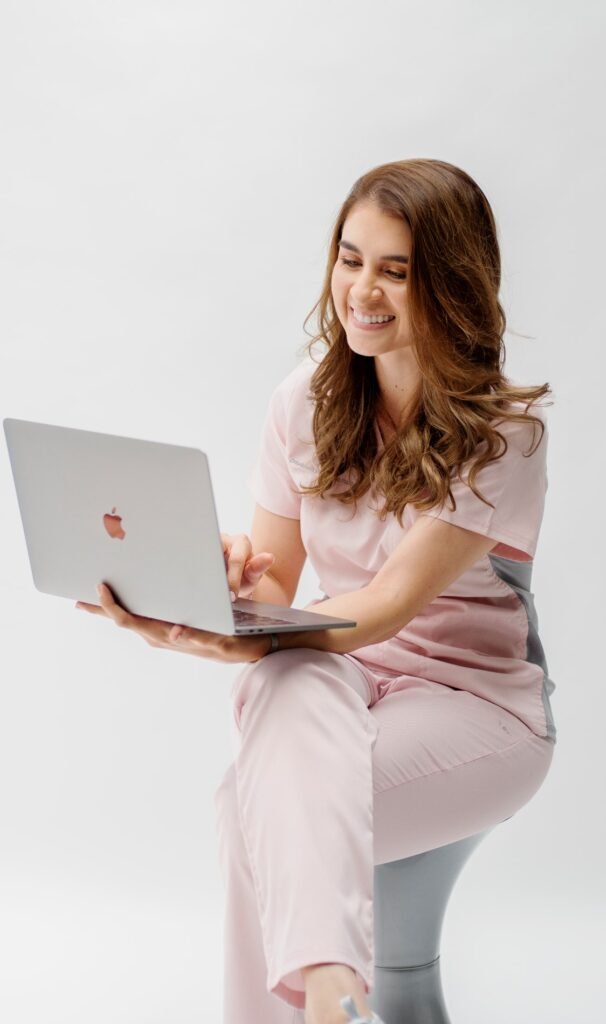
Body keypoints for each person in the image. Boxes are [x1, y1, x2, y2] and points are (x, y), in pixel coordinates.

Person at [77, 158, 557, 1024]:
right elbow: (275, 581)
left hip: (476, 705)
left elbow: (383, 607)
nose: (360, 289)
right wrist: (217, 585)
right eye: (349, 257)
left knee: (246, 804)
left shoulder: (504, 439)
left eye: (395, 270)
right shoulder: (303, 402)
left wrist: (230, 639)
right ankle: (333, 996)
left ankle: (321, 998)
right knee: (277, 675)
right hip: (347, 681)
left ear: (448, 286)